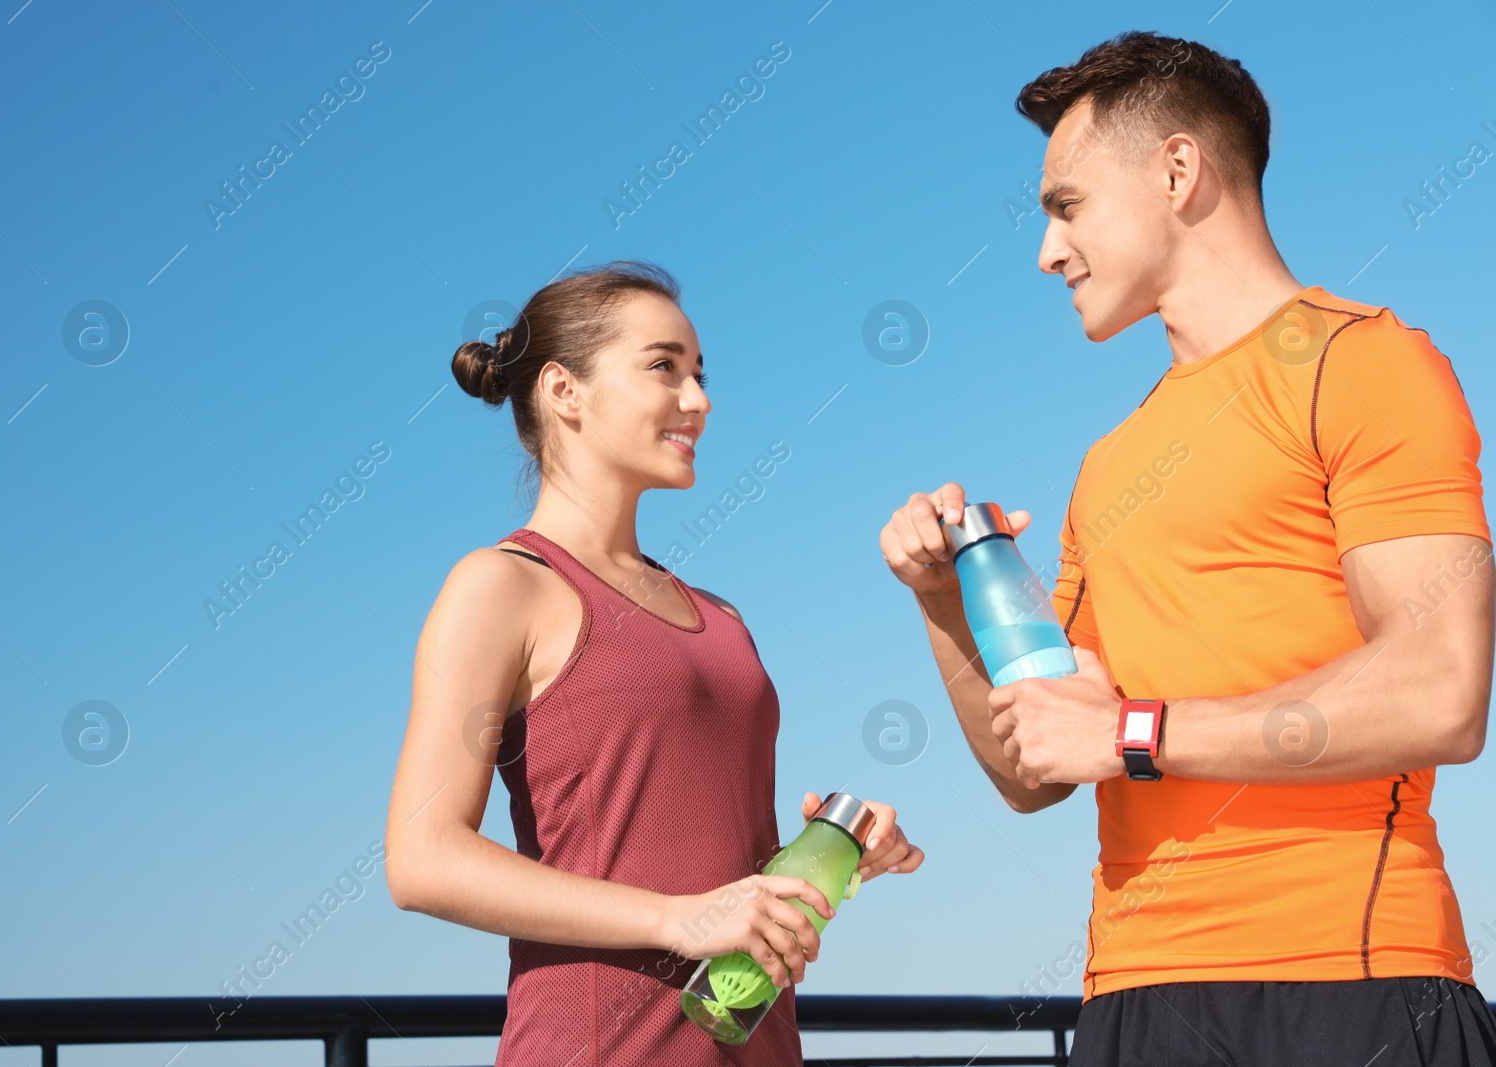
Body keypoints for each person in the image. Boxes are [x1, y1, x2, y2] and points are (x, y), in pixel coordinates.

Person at [879, 30, 1496, 1067]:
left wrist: (1131, 732)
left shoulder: (1365, 362)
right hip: (1133, 997)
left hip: (1346, 980)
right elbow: (1035, 765)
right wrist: (942, 603)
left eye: (1064, 207)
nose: (1045, 251)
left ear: (1176, 171)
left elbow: (1441, 689)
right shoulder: (1109, 463)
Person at [384, 260, 923, 1066]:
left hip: (757, 1046)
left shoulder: (724, 618)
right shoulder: (499, 587)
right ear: (564, 390)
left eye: (700, 373)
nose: (699, 400)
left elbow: (702, 864)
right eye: (663, 367)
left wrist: (834, 854)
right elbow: (422, 857)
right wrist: (678, 919)